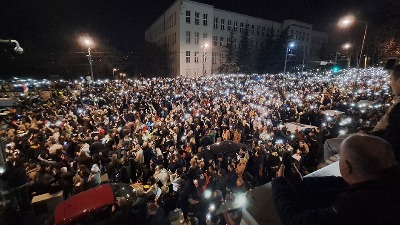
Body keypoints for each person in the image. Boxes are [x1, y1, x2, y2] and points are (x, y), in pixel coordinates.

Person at [272, 134, 400, 225]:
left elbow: (294, 221)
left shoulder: (356, 207)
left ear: (346, 167)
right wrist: (302, 182)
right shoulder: (386, 183)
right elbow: (339, 183)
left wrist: (279, 185)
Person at [324, 63, 400, 163]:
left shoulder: (397, 109)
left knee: (329, 143)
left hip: (380, 145)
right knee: (341, 137)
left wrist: (368, 136)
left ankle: (338, 170)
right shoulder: (396, 103)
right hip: (375, 136)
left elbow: (391, 141)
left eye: (390, 79)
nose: (389, 83)